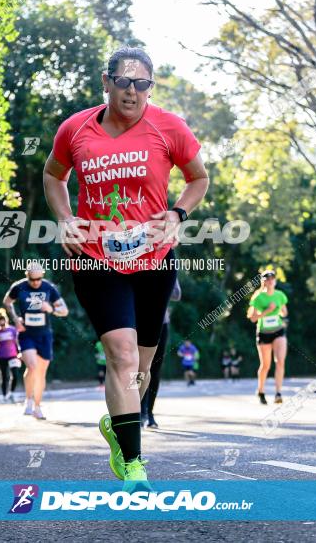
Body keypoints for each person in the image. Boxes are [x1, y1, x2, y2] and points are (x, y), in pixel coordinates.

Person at [42, 45, 208, 489]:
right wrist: (65, 219)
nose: (133, 93)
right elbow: (53, 175)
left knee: (142, 370)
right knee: (122, 355)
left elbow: (199, 178)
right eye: (124, 83)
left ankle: (119, 430)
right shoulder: (75, 129)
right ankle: (134, 464)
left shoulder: (170, 127)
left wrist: (177, 215)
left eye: (142, 85)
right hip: (97, 259)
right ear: (106, 82)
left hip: (154, 261)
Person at [3, 262, 68, 420]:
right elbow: (7, 302)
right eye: (32, 280)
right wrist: (15, 320)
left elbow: (64, 311)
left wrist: (51, 309)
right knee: (32, 366)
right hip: (26, 334)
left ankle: (37, 407)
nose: (36, 282)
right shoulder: (19, 287)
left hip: (44, 335)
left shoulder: (48, 288)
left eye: (38, 279)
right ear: (27, 277)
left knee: (40, 372)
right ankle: (28, 400)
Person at [140, 277, 181, 429]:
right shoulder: (135, 258)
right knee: (138, 368)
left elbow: (177, 294)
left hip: (161, 322)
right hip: (138, 321)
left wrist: (158, 284)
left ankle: (149, 413)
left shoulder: (165, 261)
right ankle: (137, 410)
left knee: (154, 369)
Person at [247, 269, 289, 404]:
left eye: (272, 279)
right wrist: (267, 311)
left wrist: (281, 313)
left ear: (275, 281)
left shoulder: (280, 295)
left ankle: (278, 393)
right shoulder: (258, 297)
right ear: (263, 282)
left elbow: (284, 312)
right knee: (266, 365)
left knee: (280, 361)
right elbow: (252, 318)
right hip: (264, 332)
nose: (270, 281)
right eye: (267, 279)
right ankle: (261, 391)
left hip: (278, 331)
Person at [0, 308, 21, 402]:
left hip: (13, 355)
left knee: (14, 375)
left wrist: (20, 353)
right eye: (0, 324)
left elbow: (17, 342)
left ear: (6, 321)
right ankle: (4, 395)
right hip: (1, 356)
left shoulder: (12, 330)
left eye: (3, 323)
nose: (2, 326)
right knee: (3, 376)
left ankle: (11, 393)